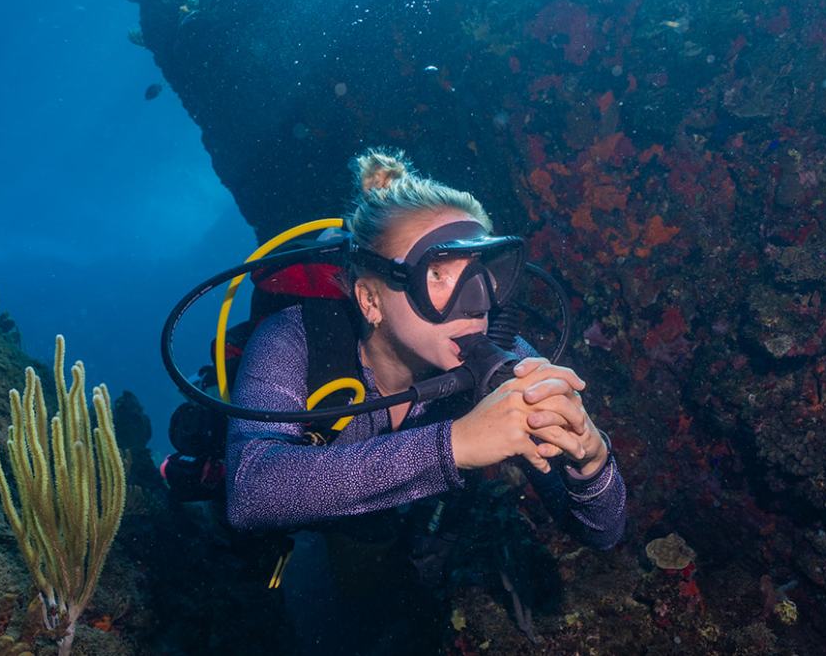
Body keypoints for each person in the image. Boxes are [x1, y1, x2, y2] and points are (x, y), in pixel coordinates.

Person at [224, 148, 626, 655]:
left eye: (483, 272)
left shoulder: (504, 362)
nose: (474, 304)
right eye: (439, 274)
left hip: (403, 519)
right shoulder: (296, 339)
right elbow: (251, 492)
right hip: (307, 509)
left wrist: (591, 462)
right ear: (370, 300)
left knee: (386, 589)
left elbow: (603, 531)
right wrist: (454, 444)